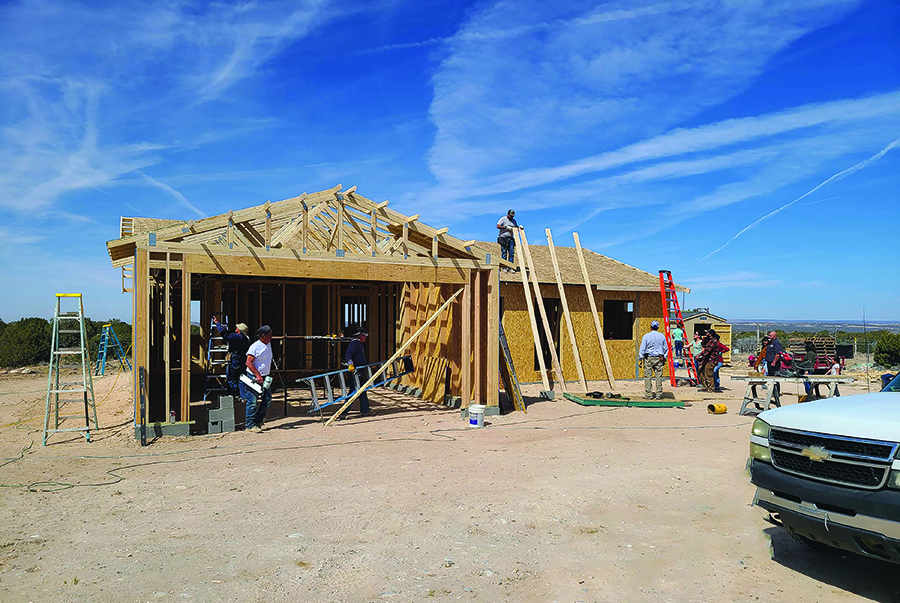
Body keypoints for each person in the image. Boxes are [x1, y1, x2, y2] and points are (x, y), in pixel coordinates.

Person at [240, 325, 274, 433]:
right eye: (270, 335)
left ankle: (259, 421)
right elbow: (248, 362)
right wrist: (258, 375)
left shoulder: (268, 343)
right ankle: (250, 425)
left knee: (267, 399)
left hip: (264, 377)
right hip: (254, 377)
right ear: (263, 336)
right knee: (252, 401)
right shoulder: (255, 347)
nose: (272, 336)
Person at [212, 317, 250, 397]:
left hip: (235, 359)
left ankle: (233, 394)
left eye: (237, 329)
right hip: (241, 359)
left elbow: (226, 334)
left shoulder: (238, 337)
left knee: (231, 378)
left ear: (239, 330)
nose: (235, 330)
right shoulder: (246, 338)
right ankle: (242, 395)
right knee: (241, 378)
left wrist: (217, 323)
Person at [344, 326, 372, 417]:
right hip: (355, 372)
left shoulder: (359, 344)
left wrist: (367, 363)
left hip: (359, 370)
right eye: (364, 336)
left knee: (361, 391)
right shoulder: (355, 343)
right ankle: (344, 411)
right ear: (360, 336)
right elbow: (348, 354)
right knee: (354, 391)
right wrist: (350, 363)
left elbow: (360, 357)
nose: (365, 338)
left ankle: (365, 410)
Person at [639, 320, 668, 399]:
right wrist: (664, 357)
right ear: (658, 327)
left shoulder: (646, 336)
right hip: (659, 357)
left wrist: (641, 357)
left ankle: (649, 394)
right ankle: (658, 394)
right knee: (659, 376)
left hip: (649, 357)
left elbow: (642, 348)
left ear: (650, 327)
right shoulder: (662, 336)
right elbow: (666, 348)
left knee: (648, 376)